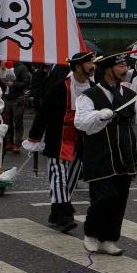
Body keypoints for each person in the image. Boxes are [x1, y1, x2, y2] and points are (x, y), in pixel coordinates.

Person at [73, 52, 137, 255]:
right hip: (100, 156)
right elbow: (81, 122)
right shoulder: (89, 95)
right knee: (104, 197)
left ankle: (109, 238)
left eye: (124, 66)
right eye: (120, 67)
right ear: (109, 70)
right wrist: (99, 115)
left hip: (124, 156)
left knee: (119, 199)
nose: (124, 70)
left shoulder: (130, 96)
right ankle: (92, 233)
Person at [23, 51, 96, 232]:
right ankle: (65, 215)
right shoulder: (60, 87)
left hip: (81, 139)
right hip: (59, 138)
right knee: (59, 177)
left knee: (70, 180)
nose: (93, 66)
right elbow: (44, 113)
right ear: (78, 66)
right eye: (89, 63)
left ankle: (56, 213)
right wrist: (35, 137)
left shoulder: (94, 88)